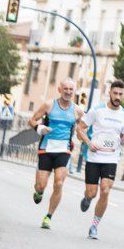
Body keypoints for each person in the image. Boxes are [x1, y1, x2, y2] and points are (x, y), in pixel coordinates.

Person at [76, 80, 124, 240]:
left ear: (123, 95)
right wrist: (88, 143)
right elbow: (80, 128)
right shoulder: (97, 110)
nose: (118, 97)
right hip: (94, 157)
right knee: (92, 192)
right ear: (110, 93)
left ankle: (94, 225)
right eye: (115, 93)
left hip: (111, 158)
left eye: (121, 94)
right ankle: (87, 197)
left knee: (105, 190)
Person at [28, 79, 85, 229]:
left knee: (59, 183)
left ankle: (48, 216)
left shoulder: (78, 111)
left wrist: (84, 138)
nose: (68, 92)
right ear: (59, 90)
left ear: (74, 91)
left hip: (64, 150)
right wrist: (40, 129)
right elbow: (32, 120)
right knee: (41, 185)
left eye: (71, 89)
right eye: (65, 89)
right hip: (46, 148)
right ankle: (38, 190)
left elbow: (82, 129)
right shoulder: (49, 105)